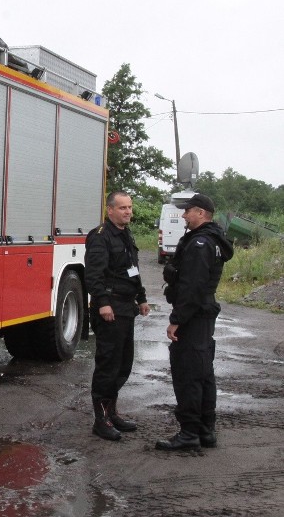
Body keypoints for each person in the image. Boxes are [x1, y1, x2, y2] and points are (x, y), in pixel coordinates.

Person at [156, 193, 233, 451]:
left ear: (201, 213)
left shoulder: (201, 242)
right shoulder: (211, 239)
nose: (184, 215)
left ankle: (189, 433)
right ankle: (205, 430)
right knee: (203, 373)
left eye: (188, 210)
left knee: (189, 373)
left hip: (194, 317)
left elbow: (193, 286)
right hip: (202, 315)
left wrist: (176, 319)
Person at [85, 191, 150, 441]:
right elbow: (93, 274)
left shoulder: (125, 234)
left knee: (123, 364)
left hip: (126, 308)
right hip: (109, 308)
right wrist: (102, 303)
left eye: (130, 207)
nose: (128, 212)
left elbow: (132, 271)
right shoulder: (100, 237)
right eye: (122, 208)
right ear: (109, 210)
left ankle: (112, 412)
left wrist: (141, 297)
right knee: (108, 365)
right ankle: (100, 420)